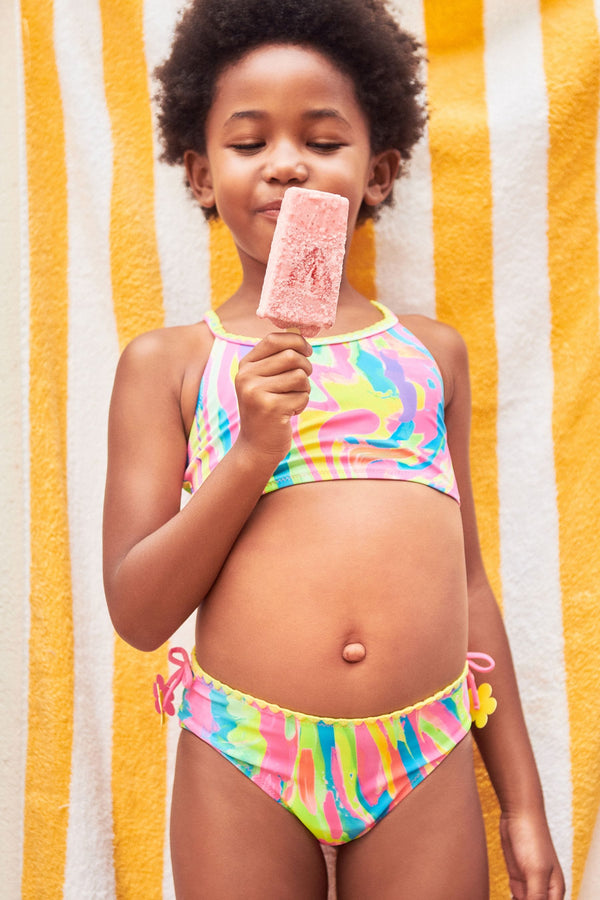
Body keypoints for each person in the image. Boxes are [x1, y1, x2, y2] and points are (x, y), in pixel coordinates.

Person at [103, 0, 565, 896]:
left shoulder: (430, 355)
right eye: (248, 145)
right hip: (244, 755)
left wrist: (523, 802)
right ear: (200, 174)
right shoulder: (172, 363)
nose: (285, 166)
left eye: (323, 141)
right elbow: (138, 612)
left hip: (421, 753)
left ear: (379, 171)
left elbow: (467, 583)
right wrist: (251, 452)